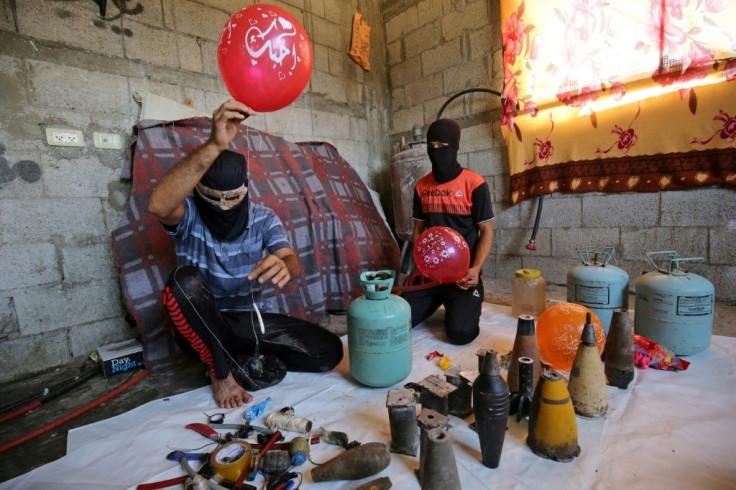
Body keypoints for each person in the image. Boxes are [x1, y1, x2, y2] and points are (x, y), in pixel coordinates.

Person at [148, 100, 343, 409]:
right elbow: (158, 205)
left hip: (245, 323)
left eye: (233, 198)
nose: (224, 206)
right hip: (201, 326)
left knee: (328, 351)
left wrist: (285, 265)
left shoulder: (263, 217)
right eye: (215, 198)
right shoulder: (189, 215)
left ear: (246, 190)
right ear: (199, 192)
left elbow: (290, 259)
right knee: (183, 281)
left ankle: (234, 360)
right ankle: (221, 373)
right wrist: (214, 143)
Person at [401, 118, 494, 344]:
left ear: (455, 147)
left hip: (462, 276)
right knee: (397, 321)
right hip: (430, 273)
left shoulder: (475, 184)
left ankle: (466, 304)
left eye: (442, 147)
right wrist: (419, 265)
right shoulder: (422, 187)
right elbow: (418, 229)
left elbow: (487, 231)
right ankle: (435, 300)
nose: (436, 152)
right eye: (431, 147)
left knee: (461, 334)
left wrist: (476, 268)